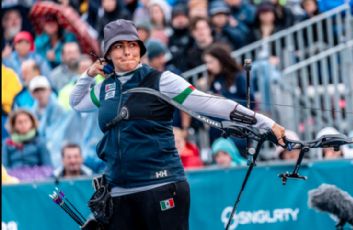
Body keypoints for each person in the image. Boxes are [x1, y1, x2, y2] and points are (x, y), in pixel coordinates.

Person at [70, 19, 285, 229]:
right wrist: (89, 74)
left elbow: (212, 104)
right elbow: (76, 102)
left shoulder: (162, 80)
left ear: (140, 48)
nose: (127, 52)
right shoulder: (105, 88)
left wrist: (264, 122)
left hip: (161, 186)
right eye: (118, 47)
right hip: (119, 192)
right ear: (107, 54)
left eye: (132, 45)